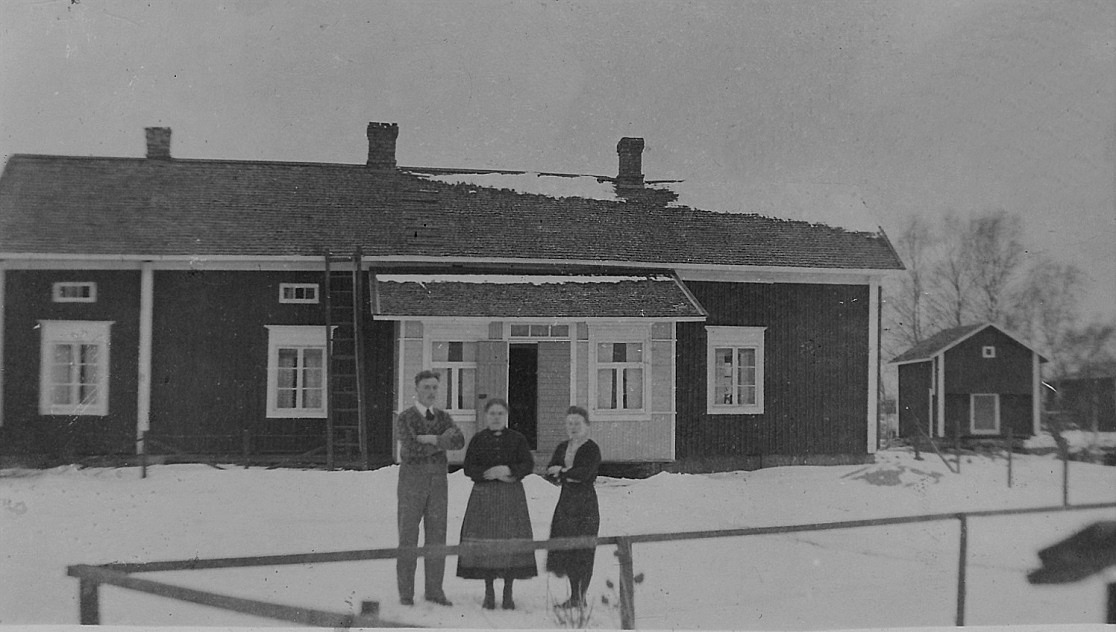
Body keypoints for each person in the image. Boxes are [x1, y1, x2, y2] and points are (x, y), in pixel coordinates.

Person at [456, 397, 537, 610]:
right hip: (484, 497)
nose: (496, 417)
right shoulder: (478, 439)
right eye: (492, 414)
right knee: (488, 543)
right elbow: (468, 467)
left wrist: (509, 470)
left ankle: (508, 592)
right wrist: (486, 473)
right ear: (486, 417)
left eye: (500, 413)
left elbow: (528, 464)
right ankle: (489, 591)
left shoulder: (517, 439)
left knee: (509, 542)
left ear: (506, 416)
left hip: (511, 497)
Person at [395, 370, 465, 607]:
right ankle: (406, 593)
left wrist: (431, 439)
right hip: (411, 482)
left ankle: (434, 590)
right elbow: (411, 448)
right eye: (426, 387)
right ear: (416, 389)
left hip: (438, 482)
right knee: (408, 536)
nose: (431, 392)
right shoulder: (405, 417)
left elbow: (459, 441)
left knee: (437, 536)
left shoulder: (444, 417)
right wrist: (440, 441)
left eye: (435, 387)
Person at [544, 405, 601, 609]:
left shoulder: (591, 448)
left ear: (586, 425)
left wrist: (563, 472)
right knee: (567, 547)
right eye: (570, 423)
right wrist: (564, 472)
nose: (573, 427)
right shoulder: (563, 447)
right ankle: (574, 595)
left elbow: (585, 473)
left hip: (585, 503)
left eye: (577, 423)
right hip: (566, 502)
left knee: (583, 549)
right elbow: (549, 472)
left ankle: (580, 596)